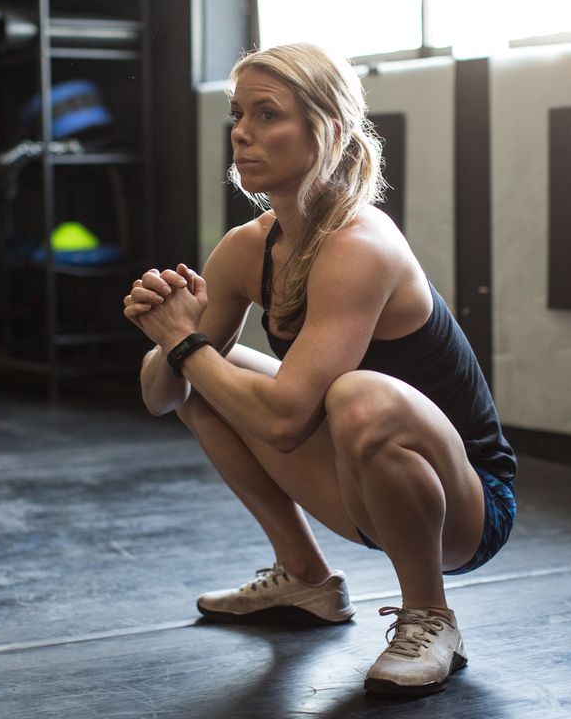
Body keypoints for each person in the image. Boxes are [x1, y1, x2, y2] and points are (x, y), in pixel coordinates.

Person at [121, 43, 516, 696]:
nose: (241, 132)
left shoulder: (362, 245)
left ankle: (430, 616)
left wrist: (186, 344)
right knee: (209, 379)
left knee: (355, 395)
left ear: (327, 130)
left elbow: (284, 422)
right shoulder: (249, 248)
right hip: (359, 484)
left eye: (267, 114)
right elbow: (164, 398)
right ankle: (305, 577)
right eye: (239, 113)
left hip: (463, 508)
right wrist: (169, 338)